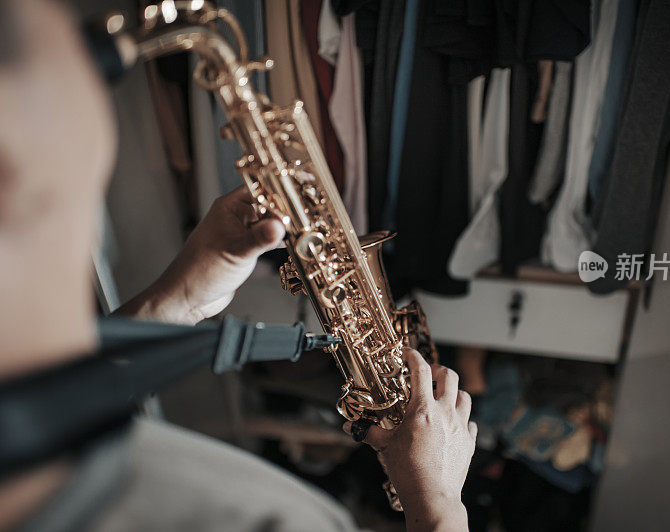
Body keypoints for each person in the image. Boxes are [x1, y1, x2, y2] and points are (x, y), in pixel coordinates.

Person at [0, 1, 476, 531]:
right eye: (84, 53)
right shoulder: (258, 520)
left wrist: (177, 302)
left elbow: (52, 404)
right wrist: (436, 502)